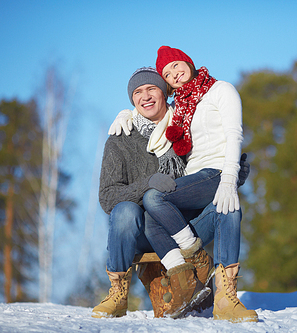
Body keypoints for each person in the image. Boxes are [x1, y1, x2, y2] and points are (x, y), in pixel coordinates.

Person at [110, 47, 258, 323]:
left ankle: (226, 297)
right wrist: (125, 115)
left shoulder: (220, 90)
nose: (174, 74)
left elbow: (234, 133)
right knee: (156, 218)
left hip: (216, 172)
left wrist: (229, 177)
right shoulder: (182, 105)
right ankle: (187, 281)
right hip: (195, 178)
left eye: (176, 66)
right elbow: (153, 113)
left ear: (188, 62)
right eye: (167, 73)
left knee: (156, 197)